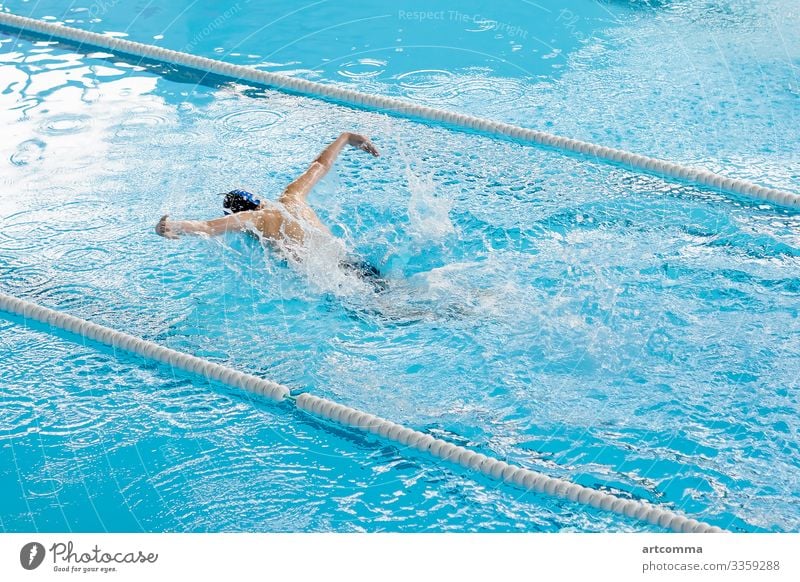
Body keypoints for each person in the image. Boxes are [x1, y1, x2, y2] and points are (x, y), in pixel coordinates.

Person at [155, 131, 385, 290]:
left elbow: (207, 227)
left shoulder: (254, 220)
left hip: (332, 279)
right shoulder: (293, 196)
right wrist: (345, 138)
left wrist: (170, 226)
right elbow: (320, 165)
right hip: (350, 262)